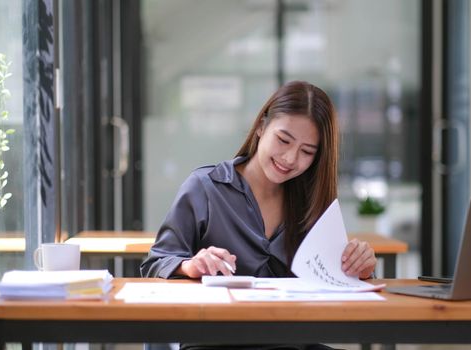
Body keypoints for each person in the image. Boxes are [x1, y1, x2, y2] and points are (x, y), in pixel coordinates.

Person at [141, 81, 377, 350]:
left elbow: (332, 279)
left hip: (293, 342)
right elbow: (155, 264)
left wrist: (359, 268)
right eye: (283, 140)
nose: (289, 158)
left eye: (307, 151)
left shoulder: (312, 203)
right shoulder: (205, 187)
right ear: (261, 127)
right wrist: (190, 265)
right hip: (215, 343)